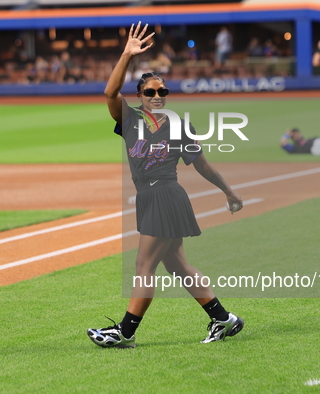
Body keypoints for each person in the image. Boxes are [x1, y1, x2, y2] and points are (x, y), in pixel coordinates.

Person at [87, 22, 245, 348]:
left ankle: (125, 332)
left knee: (143, 265)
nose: (157, 96)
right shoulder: (129, 120)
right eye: (150, 92)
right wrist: (127, 55)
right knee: (179, 266)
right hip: (153, 198)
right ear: (140, 96)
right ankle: (223, 318)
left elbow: (202, 164)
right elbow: (109, 92)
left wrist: (228, 191)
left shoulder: (178, 125)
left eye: (162, 92)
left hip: (164, 195)